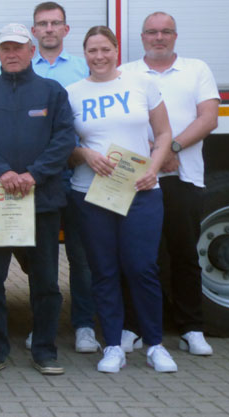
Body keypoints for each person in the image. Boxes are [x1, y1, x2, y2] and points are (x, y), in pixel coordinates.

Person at [0, 23, 74, 376]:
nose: (11, 53)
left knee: (45, 281)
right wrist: (3, 173)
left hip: (41, 200)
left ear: (31, 50)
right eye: (5, 48)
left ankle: (45, 349)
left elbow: (64, 138)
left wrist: (34, 175)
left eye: (18, 47)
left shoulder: (52, 92)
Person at [66, 26, 176, 373]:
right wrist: (84, 154)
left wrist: (153, 169)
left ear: (116, 50)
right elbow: (64, 147)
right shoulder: (72, 93)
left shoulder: (141, 84)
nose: (98, 56)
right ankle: (112, 345)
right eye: (91, 51)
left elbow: (163, 133)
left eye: (104, 49)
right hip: (91, 195)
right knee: (104, 271)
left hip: (141, 191)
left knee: (143, 268)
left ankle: (155, 344)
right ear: (84, 54)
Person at [119, 12, 219, 357]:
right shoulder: (127, 73)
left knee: (184, 254)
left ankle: (192, 328)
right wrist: (158, 156)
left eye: (165, 32)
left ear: (175, 36)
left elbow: (209, 117)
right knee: (137, 257)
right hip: (139, 179)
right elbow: (123, 121)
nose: (158, 37)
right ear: (142, 37)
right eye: (152, 32)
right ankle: (133, 327)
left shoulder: (197, 69)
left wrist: (171, 147)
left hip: (183, 176)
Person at [29, 1, 98, 354]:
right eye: (42, 24)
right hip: (40, 180)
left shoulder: (83, 69)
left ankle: (84, 325)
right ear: (34, 32)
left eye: (56, 23)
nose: (49, 29)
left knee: (81, 257)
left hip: (79, 177)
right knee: (43, 258)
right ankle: (43, 326)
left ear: (66, 30)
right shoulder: (23, 70)